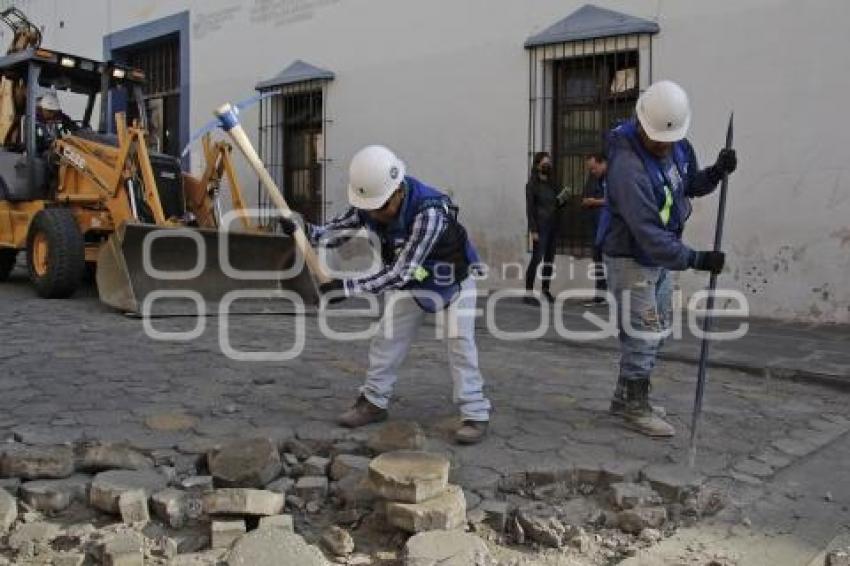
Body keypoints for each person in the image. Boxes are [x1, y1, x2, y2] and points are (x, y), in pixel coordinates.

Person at [281, 145, 492, 445]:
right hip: (412, 282)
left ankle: (475, 412)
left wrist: (347, 287)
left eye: (381, 208)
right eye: (370, 209)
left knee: (460, 345)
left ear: (398, 191)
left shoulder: (428, 211)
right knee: (387, 339)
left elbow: (401, 272)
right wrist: (300, 228)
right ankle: (374, 403)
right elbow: (331, 234)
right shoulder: (369, 206)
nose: (375, 216)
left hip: (451, 281)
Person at [601, 80, 737, 437]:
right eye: (656, 139)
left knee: (654, 331)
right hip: (631, 259)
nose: (663, 145)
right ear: (641, 122)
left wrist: (716, 173)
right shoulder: (627, 167)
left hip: (658, 258)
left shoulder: (677, 144)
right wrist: (696, 259)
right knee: (644, 332)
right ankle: (635, 404)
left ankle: (624, 397)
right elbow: (648, 233)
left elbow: (688, 184)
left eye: (669, 139)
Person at [524, 151, 560, 304]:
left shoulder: (552, 184)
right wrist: (533, 230)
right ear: (538, 165)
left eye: (549, 163)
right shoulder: (531, 185)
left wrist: (563, 198)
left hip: (553, 225)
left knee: (549, 260)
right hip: (540, 227)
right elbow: (530, 209)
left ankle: (545, 290)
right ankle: (528, 293)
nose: (548, 165)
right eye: (545, 163)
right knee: (536, 259)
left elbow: (557, 203)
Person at [581, 152, 609, 306]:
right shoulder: (593, 179)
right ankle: (600, 295)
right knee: (598, 261)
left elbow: (617, 199)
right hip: (595, 228)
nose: (592, 172)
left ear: (602, 162)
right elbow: (584, 198)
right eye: (590, 169)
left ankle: (613, 295)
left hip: (609, 229)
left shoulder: (613, 176)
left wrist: (595, 201)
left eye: (594, 168)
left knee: (611, 262)